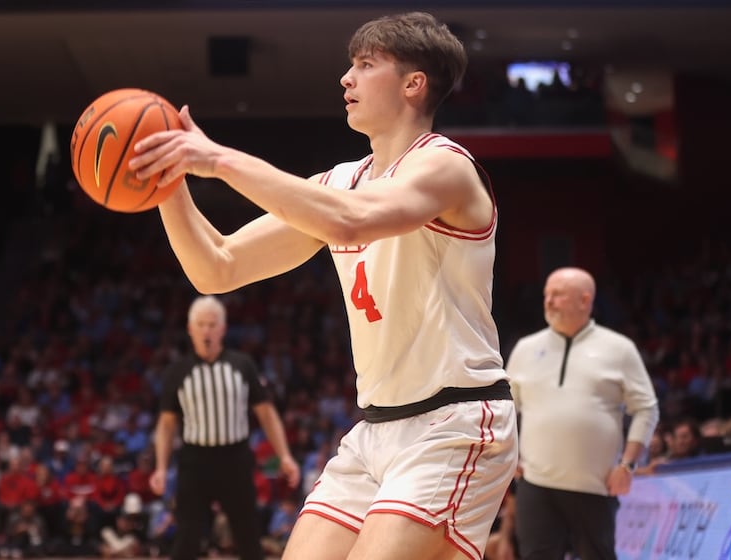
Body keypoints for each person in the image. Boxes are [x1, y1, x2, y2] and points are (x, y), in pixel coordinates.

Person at [130, 11, 517, 560]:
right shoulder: (339, 182)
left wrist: (217, 159)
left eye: (365, 64)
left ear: (414, 84)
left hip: (455, 422)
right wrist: (167, 183)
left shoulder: (445, 167)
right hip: (376, 429)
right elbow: (216, 266)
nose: (346, 78)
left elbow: (349, 220)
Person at [505, 267, 659, 560]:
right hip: (536, 483)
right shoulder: (525, 348)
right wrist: (508, 454)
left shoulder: (619, 348)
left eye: (558, 295)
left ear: (585, 300)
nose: (548, 301)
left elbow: (646, 408)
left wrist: (627, 465)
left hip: (596, 483)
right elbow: (505, 409)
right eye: (546, 294)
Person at [150, 295, 299, 560]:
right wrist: (160, 467)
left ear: (223, 328)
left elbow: (266, 413)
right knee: (187, 537)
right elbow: (166, 424)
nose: (206, 330)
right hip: (195, 460)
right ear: (190, 328)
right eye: (201, 324)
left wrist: (285, 455)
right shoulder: (178, 371)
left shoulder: (242, 365)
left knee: (248, 536)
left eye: (212, 324)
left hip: (236, 458)